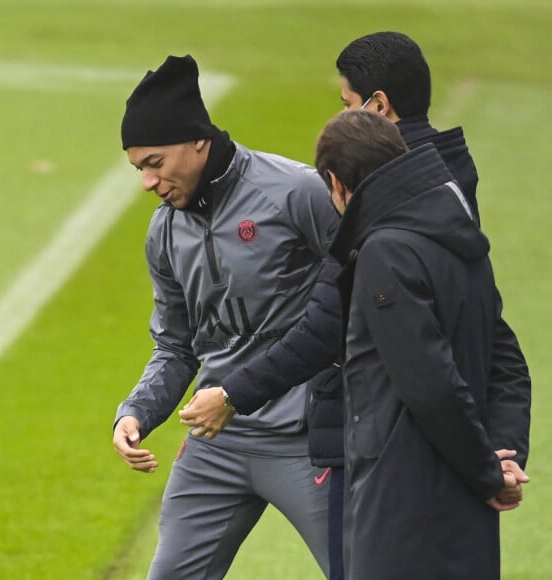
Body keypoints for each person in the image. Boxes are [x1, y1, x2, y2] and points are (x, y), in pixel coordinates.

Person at [179, 31, 531, 580]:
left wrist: (234, 392)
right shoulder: (449, 196)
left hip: (397, 472)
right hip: (453, 468)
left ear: (379, 107)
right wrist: (503, 454)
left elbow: (375, 350)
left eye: (347, 104)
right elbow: (499, 343)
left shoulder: (383, 241)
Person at [112, 54, 340, 579]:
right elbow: (175, 345)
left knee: (362, 570)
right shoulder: (164, 233)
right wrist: (135, 413)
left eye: (154, 162)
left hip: (305, 440)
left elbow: (358, 299)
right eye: (138, 169)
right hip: (218, 440)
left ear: (197, 141)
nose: (147, 182)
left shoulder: (297, 192)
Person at [316, 108, 529, 579]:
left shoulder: (384, 252)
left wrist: (489, 470)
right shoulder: (460, 236)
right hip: (465, 503)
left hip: (401, 511)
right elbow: (508, 363)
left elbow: (429, 381)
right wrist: (504, 456)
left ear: (336, 182)